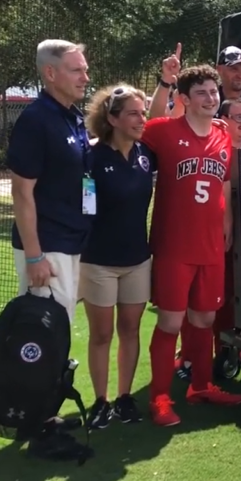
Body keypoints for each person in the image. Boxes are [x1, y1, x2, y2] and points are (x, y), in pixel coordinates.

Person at [140, 65, 241, 427]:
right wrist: (165, 81)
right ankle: (159, 397)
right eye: (201, 93)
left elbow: (224, 185)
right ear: (184, 99)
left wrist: (227, 221)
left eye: (213, 92)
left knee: (205, 318)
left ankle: (201, 385)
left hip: (211, 244)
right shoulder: (167, 131)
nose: (211, 98)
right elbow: (146, 122)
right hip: (174, 246)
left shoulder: (221, 133)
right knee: (170, 321)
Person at [80, 85, 155, 428]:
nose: (142, 119)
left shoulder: (146, 155)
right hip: (98, 261)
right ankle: (101, 402)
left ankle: (125, 399)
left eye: (143, 112)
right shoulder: (90, 156)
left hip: (138, 259)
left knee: (130, 329)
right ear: (112, 119)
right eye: (134, 114)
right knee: (101, 335)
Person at [175, 97, 241, 382]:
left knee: (228, 301)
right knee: (197, 304)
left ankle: (225, 354)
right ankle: (188, 358)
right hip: (205, 237)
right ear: (222, 119)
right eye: (239, 119)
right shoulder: (212, 149)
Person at [7, 39, 92, 323]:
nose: (85, 78)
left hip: (71, 241)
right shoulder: (36, 120)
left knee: (60, 333)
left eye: (85, 69)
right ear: (51, 73)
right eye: (76, 70)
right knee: (44, 339)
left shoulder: (72, 116)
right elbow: (21, 192)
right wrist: (34, 257)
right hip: (48, 246)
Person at [147, 44, 241, 145]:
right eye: (234, 69)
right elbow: (158, 117)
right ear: (219, 69)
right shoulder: (205, 101)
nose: (240, 74)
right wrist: (166, 79)